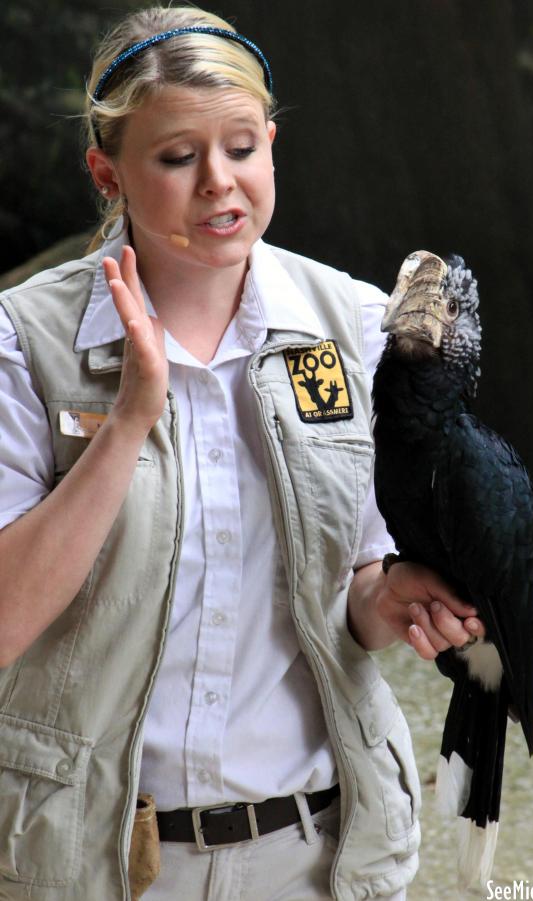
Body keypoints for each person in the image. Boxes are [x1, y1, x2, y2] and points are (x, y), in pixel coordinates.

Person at [0, 6, 484, 900]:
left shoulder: (357, 326)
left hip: (316, 851)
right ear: (106, 171)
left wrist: (394, 598)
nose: (219, 184)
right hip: (91, 859)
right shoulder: (25, 339)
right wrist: (131, 420)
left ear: (271, 145)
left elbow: (357, 591)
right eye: (178, 157)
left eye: (242, 149)